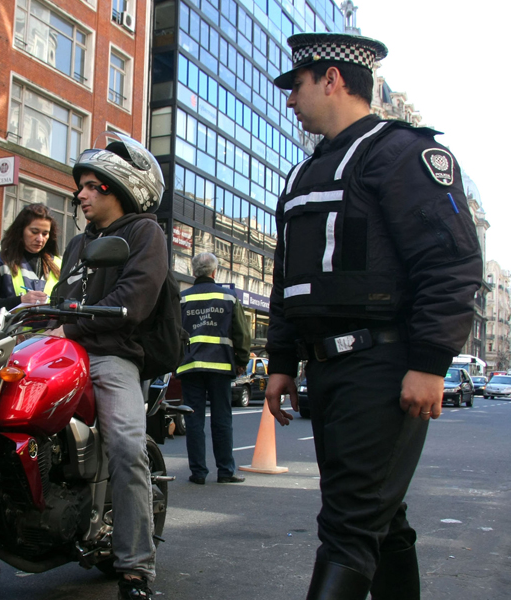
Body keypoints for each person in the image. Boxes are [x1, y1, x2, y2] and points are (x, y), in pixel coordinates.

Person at [263, 33, 482, 599]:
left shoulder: (402, 153)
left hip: (382, 365)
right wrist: (282, 361)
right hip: (328, 371)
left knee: (349, 525)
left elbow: (452, 264)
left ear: (332, 78)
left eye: (298, 86)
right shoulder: (305, 171)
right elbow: (288, 280)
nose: (289, 100)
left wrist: (431, 362)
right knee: (380, 519)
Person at [53, 132, 167, 600]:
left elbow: (134, 300)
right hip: (63, 352)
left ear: (118, 188)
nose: (80, 193)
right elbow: (64, 299)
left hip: (111, 355)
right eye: (79, 185)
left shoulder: (144, 233)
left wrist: (71, 330)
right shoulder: (78, 245)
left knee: (126, 445)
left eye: (90, 185)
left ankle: (136, 565)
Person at [176, 252, 251, 485]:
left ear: (193, 271)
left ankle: (198, 472)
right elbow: (241, 332)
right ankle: (226, 471)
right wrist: (241, 360)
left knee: (194, 420)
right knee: (222, 419)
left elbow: (174, 332)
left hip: (190, 367)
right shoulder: (228, 297)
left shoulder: (183, 299)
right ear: (214, 272)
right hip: (220, 366)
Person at [0, 203, 62, 308]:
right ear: (20, 231)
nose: (40, 239)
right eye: (34, 232)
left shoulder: (60, 265)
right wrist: (20, 301)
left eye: (45, 234)